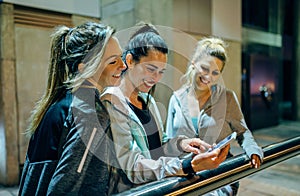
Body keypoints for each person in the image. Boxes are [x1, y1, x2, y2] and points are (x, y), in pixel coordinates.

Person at [101, 23, 229, 193]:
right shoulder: (112, 101)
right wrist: (186, 165)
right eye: (151, 69)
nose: (156, 78)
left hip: (159, 185)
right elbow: (132, 166)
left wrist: (181, 144)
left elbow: (159, 145)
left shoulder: (147, 99)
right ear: (130, 61)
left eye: (161, 72)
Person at [19, 21, 127, 195]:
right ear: (84, 68)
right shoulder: (89, 112)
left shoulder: (60, 101)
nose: (123, 66)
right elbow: (65, 187)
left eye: (121, 57)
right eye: (113, 61)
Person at [166, 36, 264, 195]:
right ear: (194, 63)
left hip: (218, 176)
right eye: (204, 68)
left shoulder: (227, 98)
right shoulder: (176, 99)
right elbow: (169, 142)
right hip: (186, 174)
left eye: (215, 72)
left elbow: (242, 132)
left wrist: (253, 150)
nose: (208, 77)